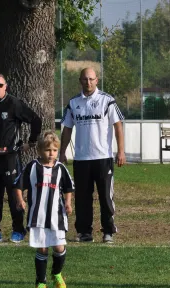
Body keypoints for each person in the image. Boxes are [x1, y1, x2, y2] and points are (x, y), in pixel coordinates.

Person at [59, 67, 126, 243]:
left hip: (103, 157)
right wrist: (62, 152)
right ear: (80, 81)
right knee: (82, 198)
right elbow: (67, 128)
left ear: (97, 80)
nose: (88, 82)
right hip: (81, 158)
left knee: (105, 196)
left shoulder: (107, 100)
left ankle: (108, 231)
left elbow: (117, 125)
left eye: (91, 79)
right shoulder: (74, 103)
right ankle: (84, 232)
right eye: (84, 79)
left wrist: (121, 151)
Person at [0, 72, 42, 243]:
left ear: (6, 86)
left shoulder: (14, 103)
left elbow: (36, 120)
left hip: (10, 157)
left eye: (0, 85)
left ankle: (19, 230)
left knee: (15, 194)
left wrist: (31, 142)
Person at [14, 132, 75, 288]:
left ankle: (56, 273)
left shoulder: (61, 168)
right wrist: (20, 200)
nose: (51, 153)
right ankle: (41, 283)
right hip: (37, 216)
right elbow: (18, 184)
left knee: (59, 247)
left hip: (57, 216)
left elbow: (69, 188)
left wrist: (68, 203)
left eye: (55, 150)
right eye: (48, 150)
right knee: (42, 249)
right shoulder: (32, 167)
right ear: (40, 151)